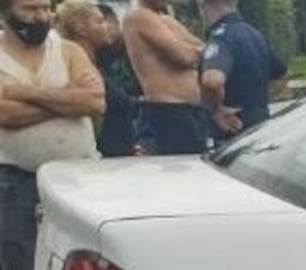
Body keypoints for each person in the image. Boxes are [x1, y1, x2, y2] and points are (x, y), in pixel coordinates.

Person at [0, 0, 104, 270]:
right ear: (5, 11)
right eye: (30, 9)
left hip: (79, 176)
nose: (42, 17)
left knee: (85, 266)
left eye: (46, 8)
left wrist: (25, 93)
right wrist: (65, 101)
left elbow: (94, 101)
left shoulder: (69, 51)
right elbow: (5, 114)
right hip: (17, 183)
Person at [123, 0, 206, 154]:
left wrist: (190, 48)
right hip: (169, 108)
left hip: (188, 109)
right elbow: (184, 56)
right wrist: (192, 49)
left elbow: (202, 46)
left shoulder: (164, 19)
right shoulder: (139, 16)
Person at [197, 0, 287, 142]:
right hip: (260, 128)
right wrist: (256, 105)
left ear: (203, 5)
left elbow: (212, 81)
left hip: (232, 135)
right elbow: (280, 75)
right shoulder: (255, 34)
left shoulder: (221, 37)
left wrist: (217, 110)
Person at [57, 1, 137, 157]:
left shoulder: (100, 62)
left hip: (121, 159)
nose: (107, 26)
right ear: (81, 30)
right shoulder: (77, 70)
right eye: (100, 21)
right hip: (100, 165)